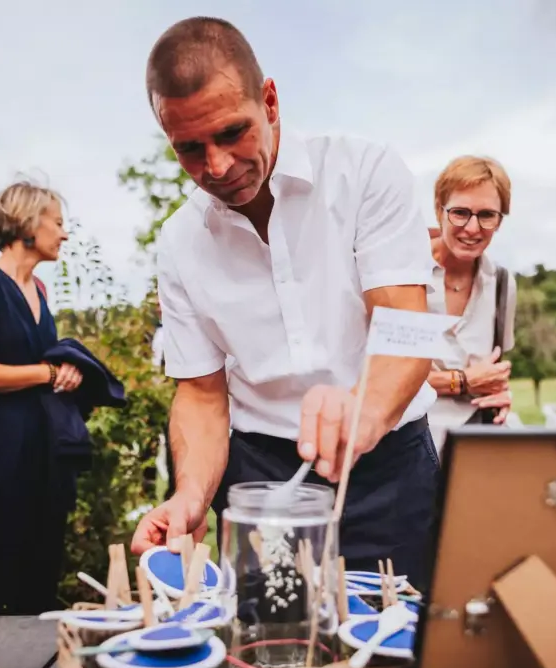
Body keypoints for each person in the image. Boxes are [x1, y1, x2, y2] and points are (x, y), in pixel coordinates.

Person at [130, 17, 441, 586]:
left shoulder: (364, 172)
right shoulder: (178, 244)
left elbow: (407, 330)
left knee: (400, 654)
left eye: (231, 133)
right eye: (190, 149)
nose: (217, 166)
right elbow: (201, 395)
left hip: (391, 472)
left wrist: (363, 410)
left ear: (269, 101)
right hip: (260, 482)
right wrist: (191, 495)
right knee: (268, 651)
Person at [0, 180, 88, 615]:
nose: (65, 234)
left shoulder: (40, 289)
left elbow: (37, 367)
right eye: (59, 223)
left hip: (43, 453)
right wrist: (46, 372)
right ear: (29, 221)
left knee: (38, 582)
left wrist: (68, 369)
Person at [424, 156, 517, 451]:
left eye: (487, 215)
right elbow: (374, 372)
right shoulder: (402, 273)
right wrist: (461, 381)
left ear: (500, 219)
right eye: (460, 212)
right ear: (439, 210)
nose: (473, 228)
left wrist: (500, 391)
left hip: (474, 443)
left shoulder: (502, 283)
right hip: (405, 445)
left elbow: (494, 372)